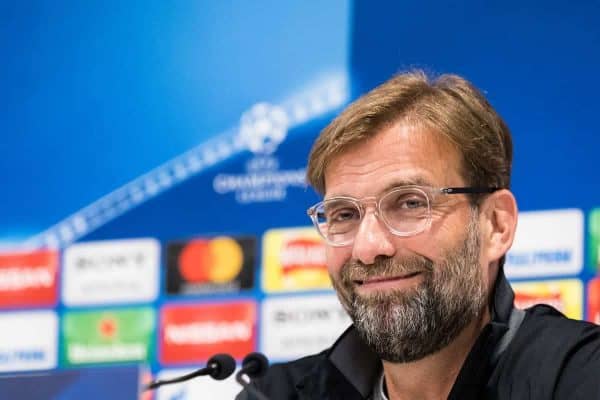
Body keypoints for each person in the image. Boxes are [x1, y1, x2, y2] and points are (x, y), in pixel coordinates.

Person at [237, 71, 600, 399]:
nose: (367, 248)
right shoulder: (276, 395)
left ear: (495, 225)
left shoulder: (578, 377)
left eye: (409, 203)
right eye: (344, 214)